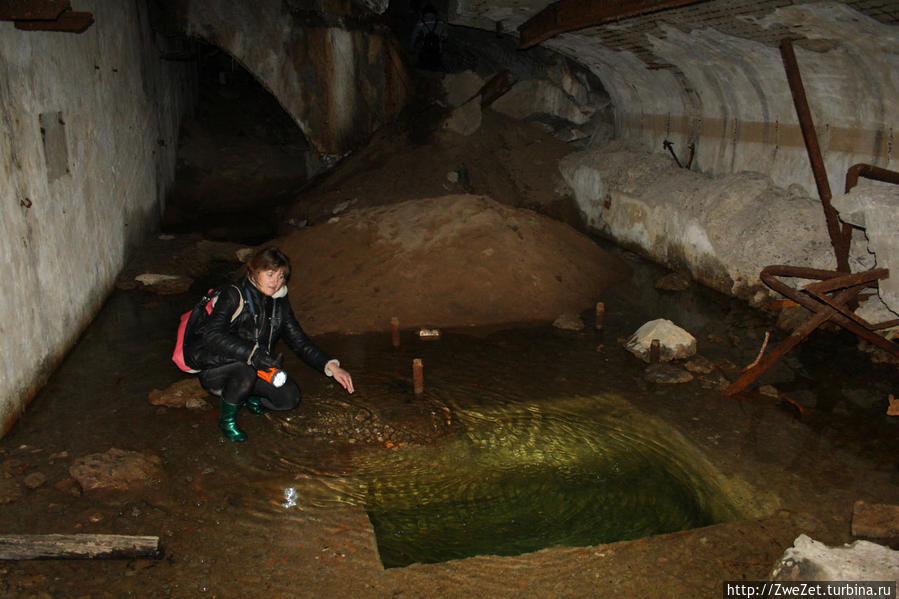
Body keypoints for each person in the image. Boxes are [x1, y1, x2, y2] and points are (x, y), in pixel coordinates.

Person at [185, 246, 354, 442]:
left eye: (281, 276)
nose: (276, 282)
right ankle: (227, 421)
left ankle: (249, 396)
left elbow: (298, 340)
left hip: (257, 366)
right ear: (254, 271)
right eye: (270, 274)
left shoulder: (279, 302)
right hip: (218, 368)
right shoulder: (233, 295)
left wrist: (331, 366)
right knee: (245, 370)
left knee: (289, 398)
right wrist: (253, 354)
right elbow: (212, 335)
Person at [410, 3, 448, 70]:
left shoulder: (421, 22)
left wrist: (411, 48)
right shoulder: (440, 22)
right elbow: (445, 36)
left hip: (425, 50)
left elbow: (414, 36)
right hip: (437, 50)